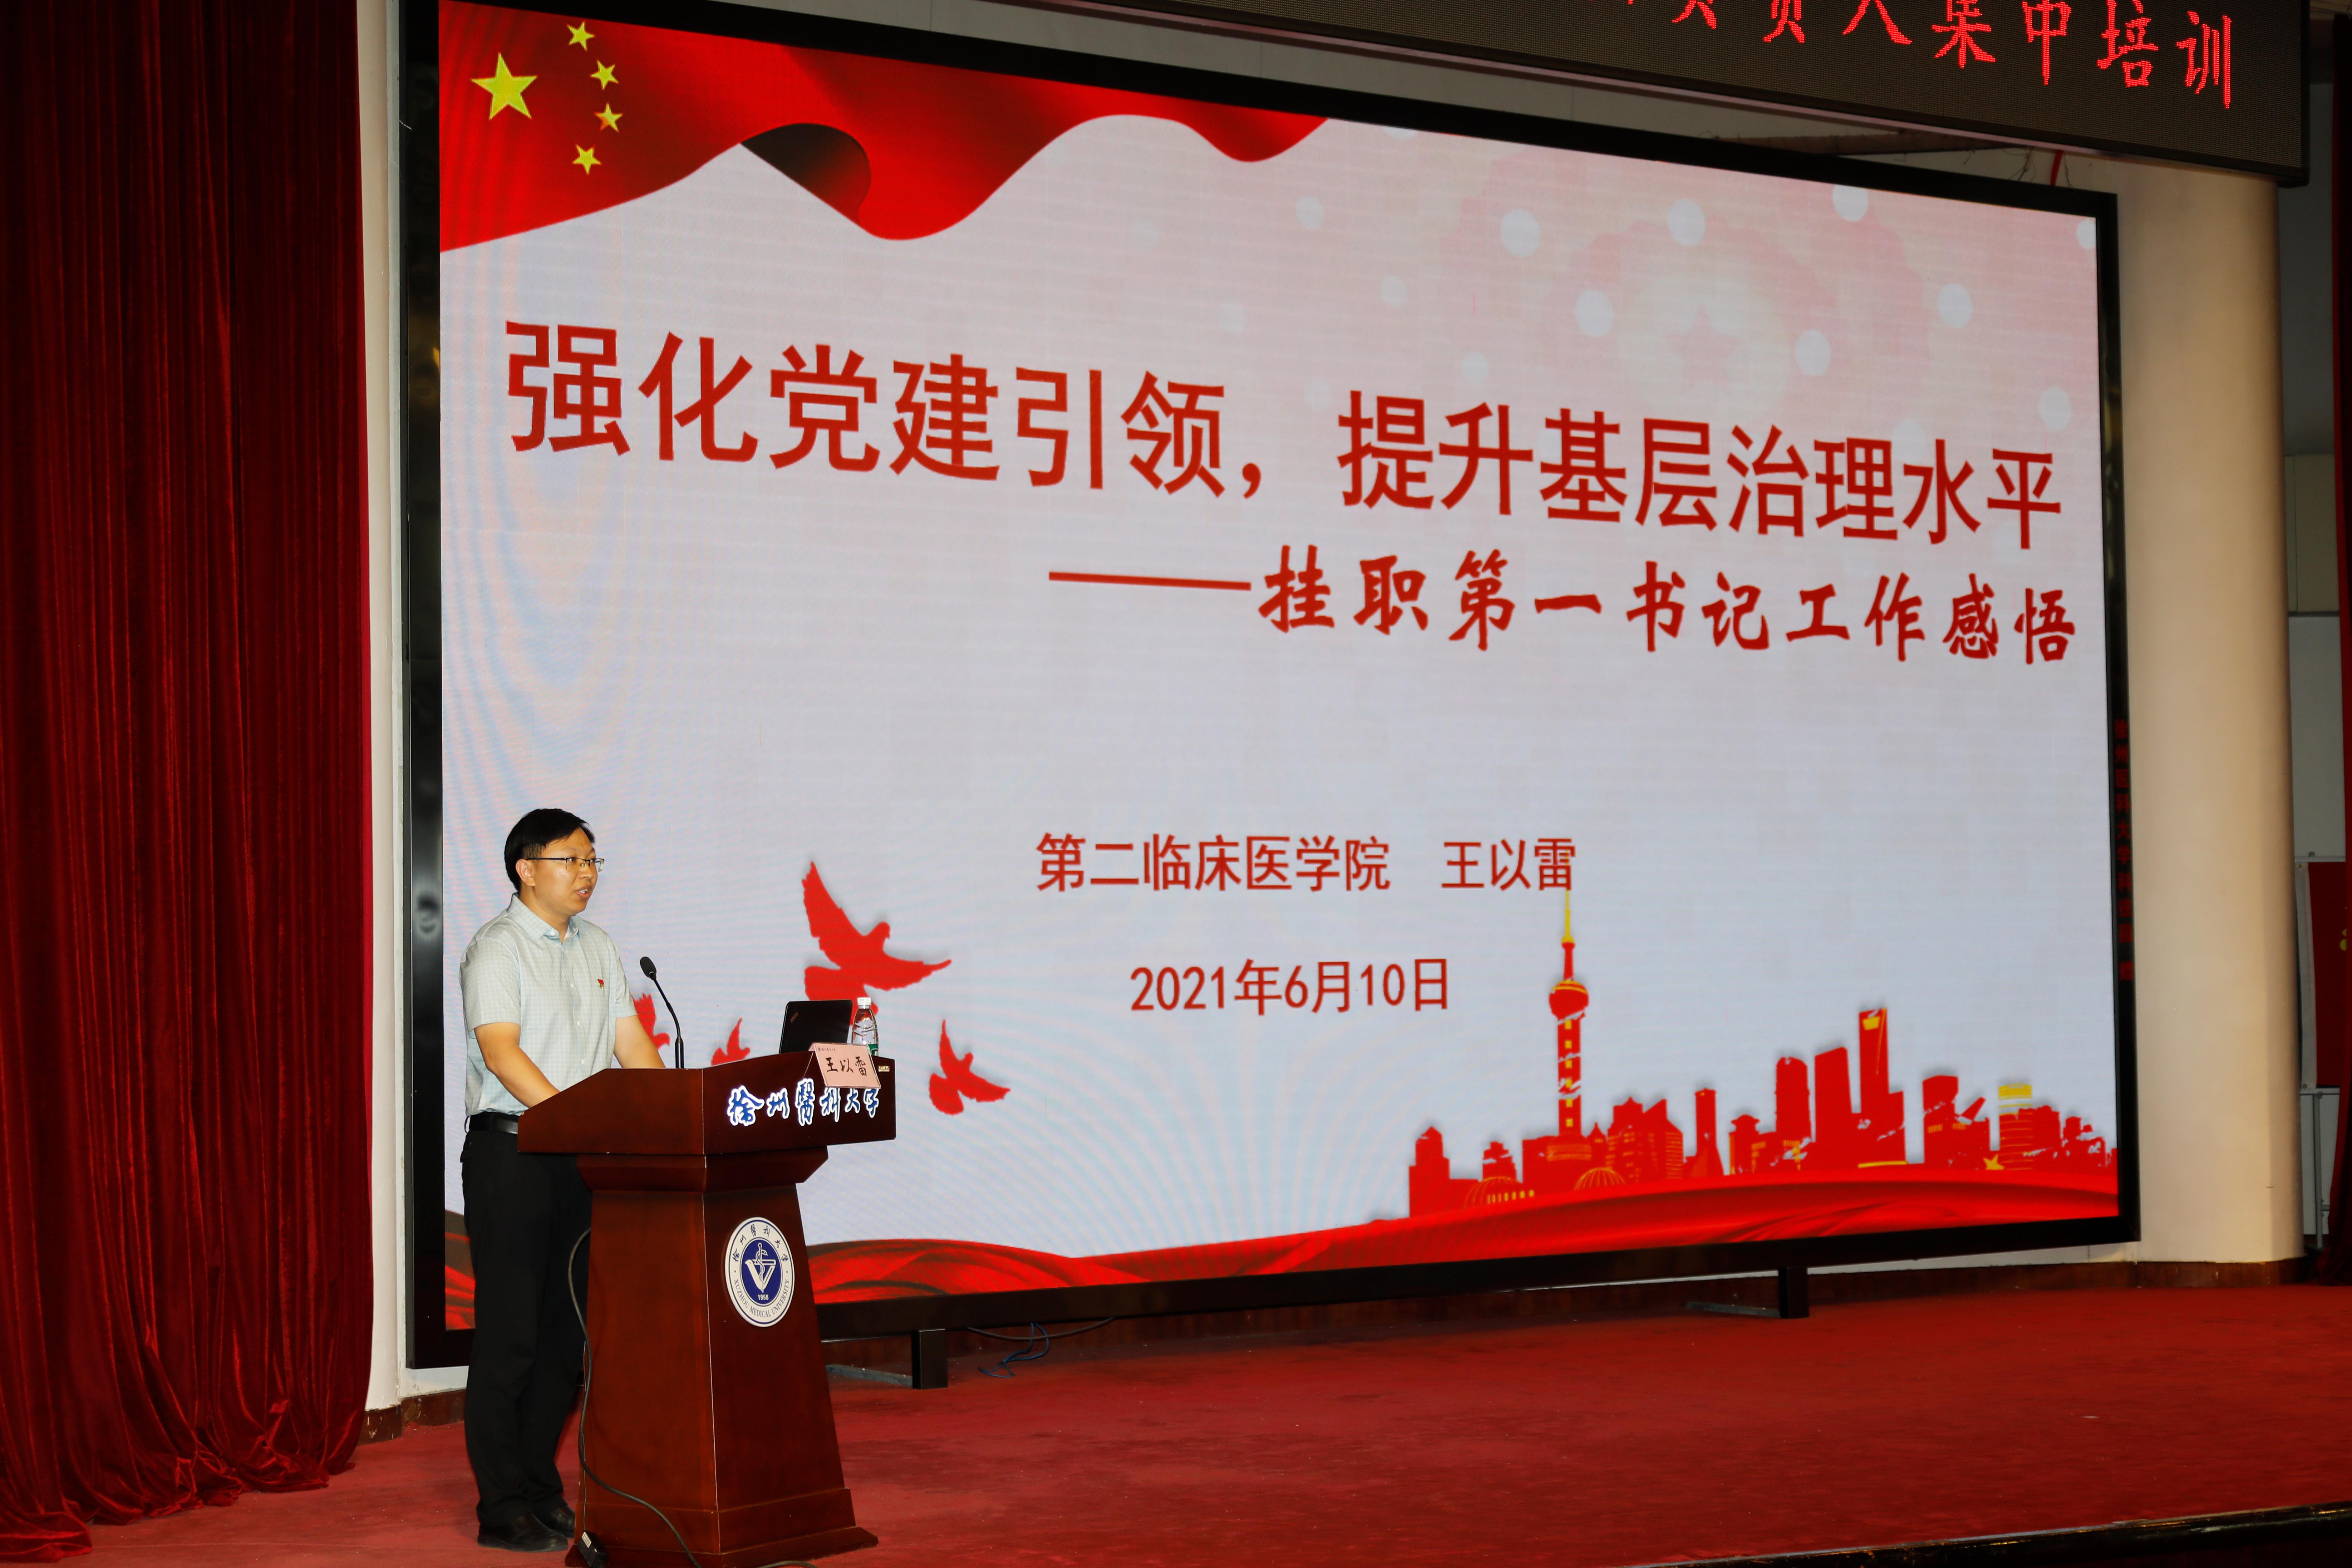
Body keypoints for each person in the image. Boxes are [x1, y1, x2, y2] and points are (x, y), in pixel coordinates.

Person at [459, 808, 666, 1552]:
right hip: (512, 1157)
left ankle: (539, 1485)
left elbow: (631, 1045)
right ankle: (500, 1503)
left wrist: (671, 1117)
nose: (586, 874)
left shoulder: (599, 946)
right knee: (511, 1335)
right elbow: (502, 1052)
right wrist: (575, 1122)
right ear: (526, 869)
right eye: (571, 860)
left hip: (580, 1161)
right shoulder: (497, 947)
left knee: (565, 1335)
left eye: (592, 861)